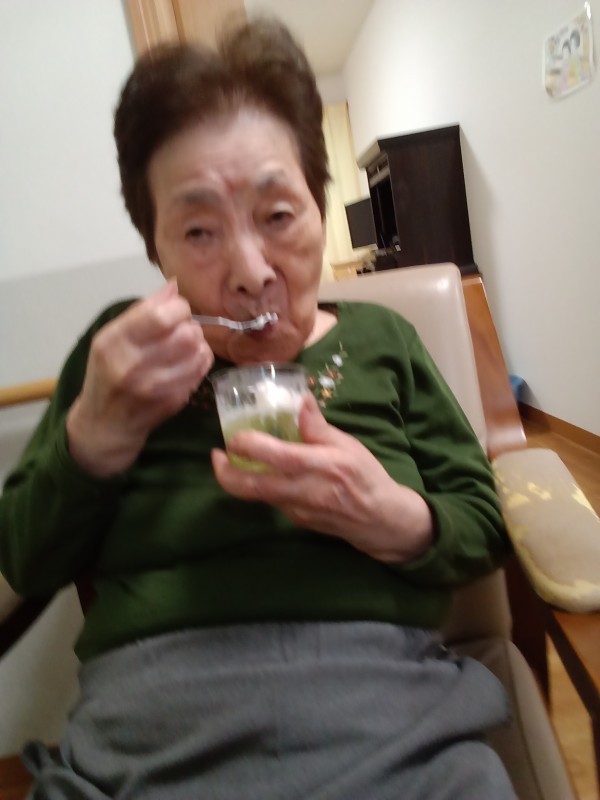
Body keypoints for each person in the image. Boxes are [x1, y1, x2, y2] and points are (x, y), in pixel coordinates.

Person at [0, 18, 516, 800]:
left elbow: (483, 521)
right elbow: (24, 561)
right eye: (199, 230)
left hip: (392, 724)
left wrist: (393, 517)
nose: (249, 272)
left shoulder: (385, 341)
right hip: (146, 741)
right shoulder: (118, 361)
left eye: (277, 216)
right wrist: (93, 437)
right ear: (156, 250)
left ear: (319, 207)